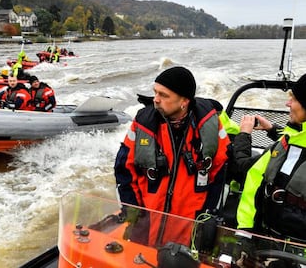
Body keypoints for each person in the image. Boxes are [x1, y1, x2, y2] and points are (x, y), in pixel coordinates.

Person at [114, 66, 231, 247]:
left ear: (184, 101)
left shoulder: (210, 126)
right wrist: (134, 210)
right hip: (147, 220)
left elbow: (220, 172)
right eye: (155, 92)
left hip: (190, 225)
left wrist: (207, 216)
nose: (156, 100)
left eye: (164, 95)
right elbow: (124, 169)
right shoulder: (143, 123)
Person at [236, 73, 306, 243]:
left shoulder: (289, 142)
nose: (287, 103)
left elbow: (244, 165)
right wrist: (272, 129)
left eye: (294, 99)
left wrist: (244, 134)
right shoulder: (288, 140)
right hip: (267, 239)